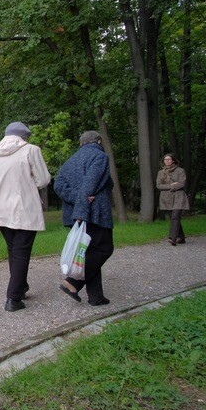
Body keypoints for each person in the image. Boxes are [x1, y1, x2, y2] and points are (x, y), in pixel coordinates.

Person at [0, 122, 51, 312]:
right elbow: (43, 180)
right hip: (24, 208)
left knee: (14, 249)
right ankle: (13, 298)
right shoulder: (31, 150)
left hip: (0, 208)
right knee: (21, 250)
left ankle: (20, 288)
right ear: (24, 136)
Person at [54, 131, 114, 306]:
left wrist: (76, 198)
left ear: (81, 144)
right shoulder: (100, 156)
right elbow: (90, 182)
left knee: (90, 252)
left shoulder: (70, 161)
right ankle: (73, 282)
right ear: (98, 141)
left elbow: (58, 185)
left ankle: (96, 297)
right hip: (93, 212)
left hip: (76, 211)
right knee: (103, 249)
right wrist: (83, 201)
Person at [156, 154, 189, 246]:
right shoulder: (160, 172)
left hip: (179, 196)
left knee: (175, 216)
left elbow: (182, 183)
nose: (167, 161)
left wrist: (173, 186)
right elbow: (159, 185)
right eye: (165, 160)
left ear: (173, 161)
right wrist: (171, 186)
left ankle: (172, 238)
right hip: (166, 198)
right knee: (173, 218)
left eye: (169, 159)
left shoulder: (180, 170)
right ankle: (181, 237)